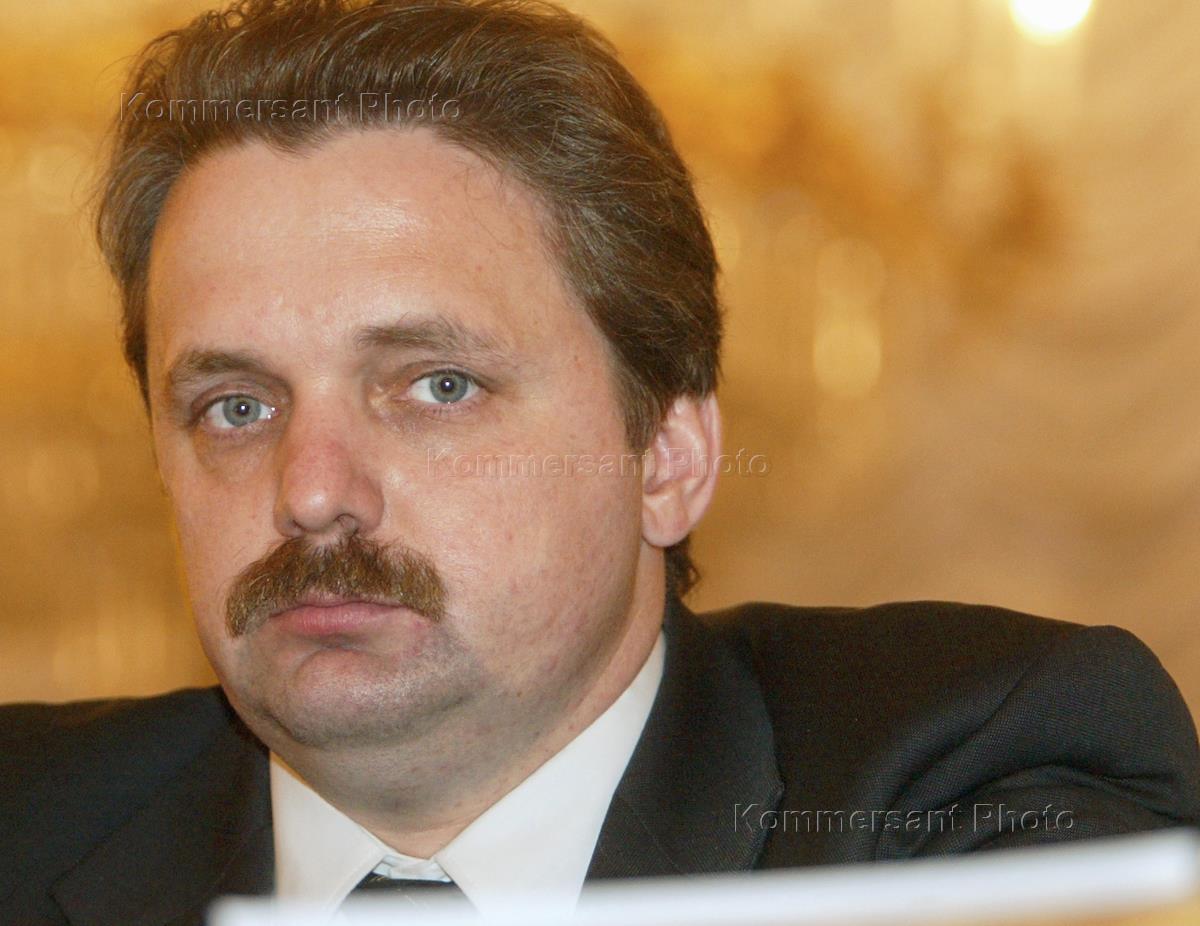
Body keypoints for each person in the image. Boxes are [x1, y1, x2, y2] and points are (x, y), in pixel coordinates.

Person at [2, 1, 1198, 923]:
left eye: (437, 385)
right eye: (235, 405)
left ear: (667, 456)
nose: (310, 489)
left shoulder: (969, 770)